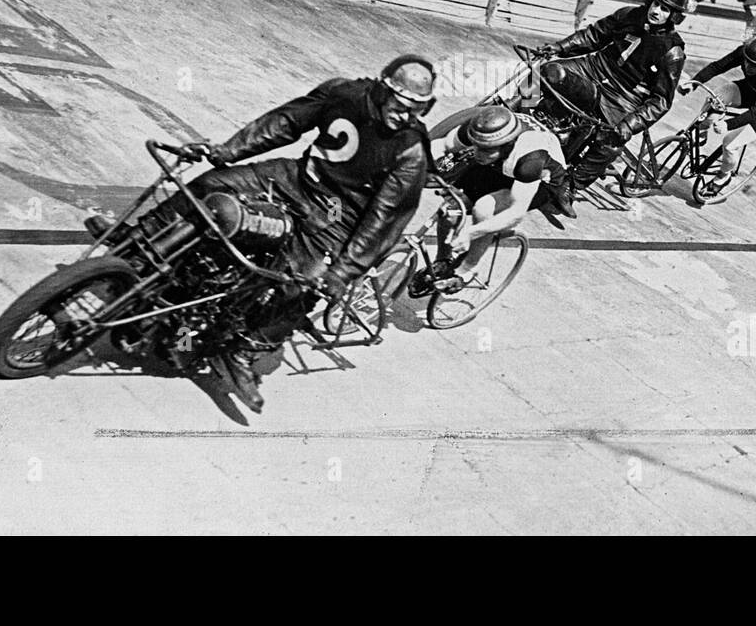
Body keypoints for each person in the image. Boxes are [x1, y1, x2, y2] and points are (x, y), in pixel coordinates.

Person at [100, 56, 438, 411]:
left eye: (417, 110)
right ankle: (137, 242)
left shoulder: (411, 151)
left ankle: (245, 349)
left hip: (339, 218)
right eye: (401, 106)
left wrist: (343, 272)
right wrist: (227, 151)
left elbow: (384, 220)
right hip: (295, 179)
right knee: (212, 185)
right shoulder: (344, 93)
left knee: (302, 284)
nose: (406, 116)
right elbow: (285, 122)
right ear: (382, 90)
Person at [533, 0, 690, 206]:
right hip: (594, 67)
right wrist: (560, 47)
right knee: (548, 71)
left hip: (623, 95)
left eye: (665, 9)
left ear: (674, 16)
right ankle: (517, 107)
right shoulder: (629, 14)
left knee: (611, 142)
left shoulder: (673, 52)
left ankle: (571, 185)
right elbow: (593, 35)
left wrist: (631, 123)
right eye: (656, 4)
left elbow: (661, 101)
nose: (656, 11)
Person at [419, 105, 568, 292]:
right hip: (499, 165)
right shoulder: (480, 130)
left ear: (507, 145)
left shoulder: (530, 158)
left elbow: (515, 213)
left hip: (541, 181)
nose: (478, 154)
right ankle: (442, 261)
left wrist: (470, 233)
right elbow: (443, 145)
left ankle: (468, 269)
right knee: (450, 209)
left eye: (486, 150)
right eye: (476, 147)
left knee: (484, 208)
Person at [679, 35, 756, 191]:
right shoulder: (746, 53)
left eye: (754, 66)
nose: (748, 67)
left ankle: (723, 176)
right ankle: (701, 133)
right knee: (717, 98)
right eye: (746, 61)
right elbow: (717, 67)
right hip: (751, 91)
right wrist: (693, 83)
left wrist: (728, 124)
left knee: (730, 144)